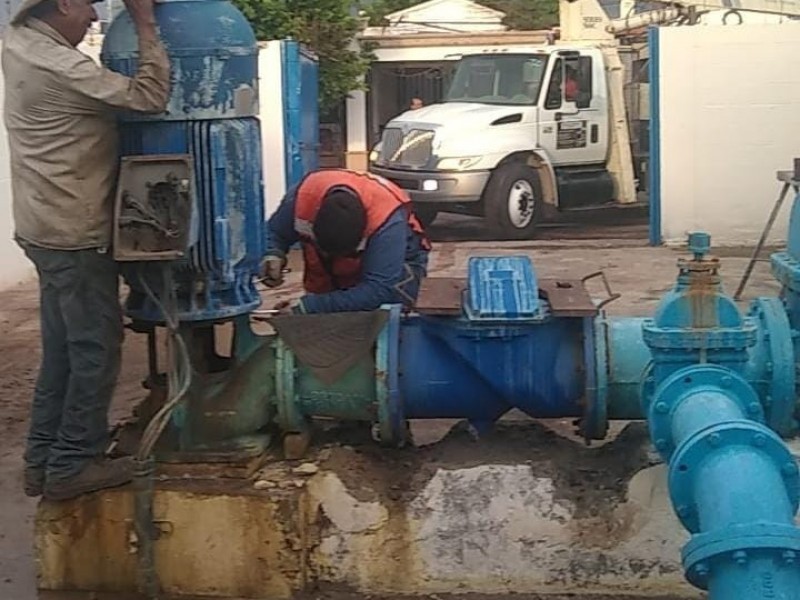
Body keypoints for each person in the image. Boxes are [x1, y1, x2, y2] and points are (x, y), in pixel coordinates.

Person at [3, 0, 171, 501]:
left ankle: (42, 460)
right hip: (76, 235)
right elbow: (151, 97)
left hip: (42, 228)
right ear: (64, 4)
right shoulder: (60, 64)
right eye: (88, 9)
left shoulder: (20, 42)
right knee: (96, 349)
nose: (95, 19)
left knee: (63, 350)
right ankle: (73, 464)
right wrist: (144, 22)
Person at [262, 169, 431, 314]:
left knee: (380, 315)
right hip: (330, 273)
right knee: (323, 324)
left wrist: (309, 306)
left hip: (396, 270)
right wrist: (272, 253)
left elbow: (379, 290)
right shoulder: (303, 197)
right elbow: (275, 232)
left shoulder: (386, 222)